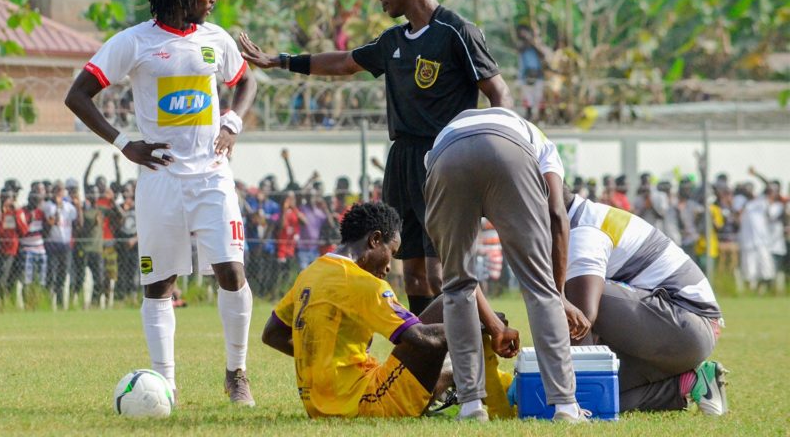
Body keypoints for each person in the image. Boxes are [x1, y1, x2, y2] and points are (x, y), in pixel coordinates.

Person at [240, 0, 513, 314]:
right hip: (401, 159)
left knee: (440, 272)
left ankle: (470, 348)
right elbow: (344, 62)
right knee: (409, 271)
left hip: (443, 159)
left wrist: (497, 154)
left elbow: (499, 93)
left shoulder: (456, 31)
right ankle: (427, 360)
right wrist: (283, 62)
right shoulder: (392, 41)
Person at [65, 0, 258, 405]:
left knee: (232, 271)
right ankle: (164, 384)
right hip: (160, 180)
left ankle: (236, 374)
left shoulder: (216, 40)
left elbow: (246, 80)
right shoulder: (134, 42)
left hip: (212, 176)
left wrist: (231, 121)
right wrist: (123, 144)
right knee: (159, 285)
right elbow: (77, 95)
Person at [261, 202, 519, 419]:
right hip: (366, 401)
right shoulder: (364, 284)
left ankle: (465, 387)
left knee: (450, 309)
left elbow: (271, 334)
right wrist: (484, 325)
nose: (388, 267)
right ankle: (499, 402)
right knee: (458, 311)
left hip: (321, 403)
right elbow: (424, 339)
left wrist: (323, 360)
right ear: (375, 240)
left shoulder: (310, 273)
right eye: (391, 252)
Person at [424, 107, 587, 422]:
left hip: (445, 155)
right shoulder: (541, 141)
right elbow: (557, 213)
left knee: (457, 287)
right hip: (508, 150)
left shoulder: (445, 135)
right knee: (540, 288)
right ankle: (565, 406)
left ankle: (471, 405)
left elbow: (458, 277)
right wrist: (559, 292)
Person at [562, 185, 728, 415]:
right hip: (670, 328)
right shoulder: (578, 221)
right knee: (597, 399)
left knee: (570, 298)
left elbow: (582, 316)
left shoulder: (584, 229)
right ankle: (687, 383)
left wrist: (555, 379)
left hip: (688, 322)